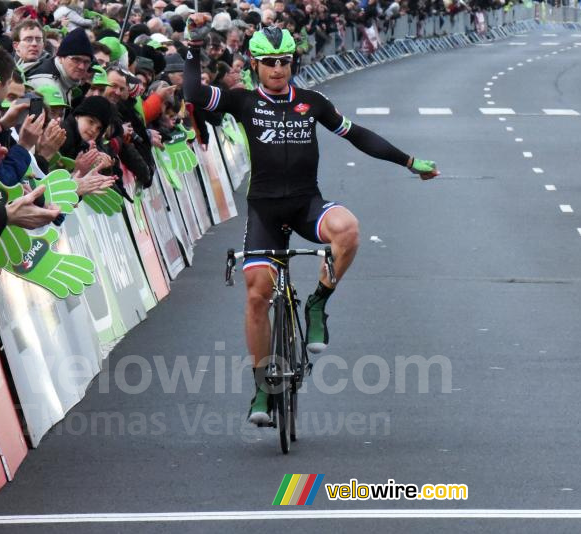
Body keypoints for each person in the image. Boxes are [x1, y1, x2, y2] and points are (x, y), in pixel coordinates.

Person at [183, 20, 439, 424]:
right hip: (265, 211)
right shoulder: (242, 101)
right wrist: (194, 47)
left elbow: (357, 135)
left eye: (283, 61)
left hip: (306, 206)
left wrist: (408, 161)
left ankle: (318, 303)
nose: (277, 69)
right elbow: (194, 94)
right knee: (257, 296)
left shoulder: (312, 101)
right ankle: (263, 388)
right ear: (255, 65)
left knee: (348, 229)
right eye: (268, 62)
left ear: (293, 62)